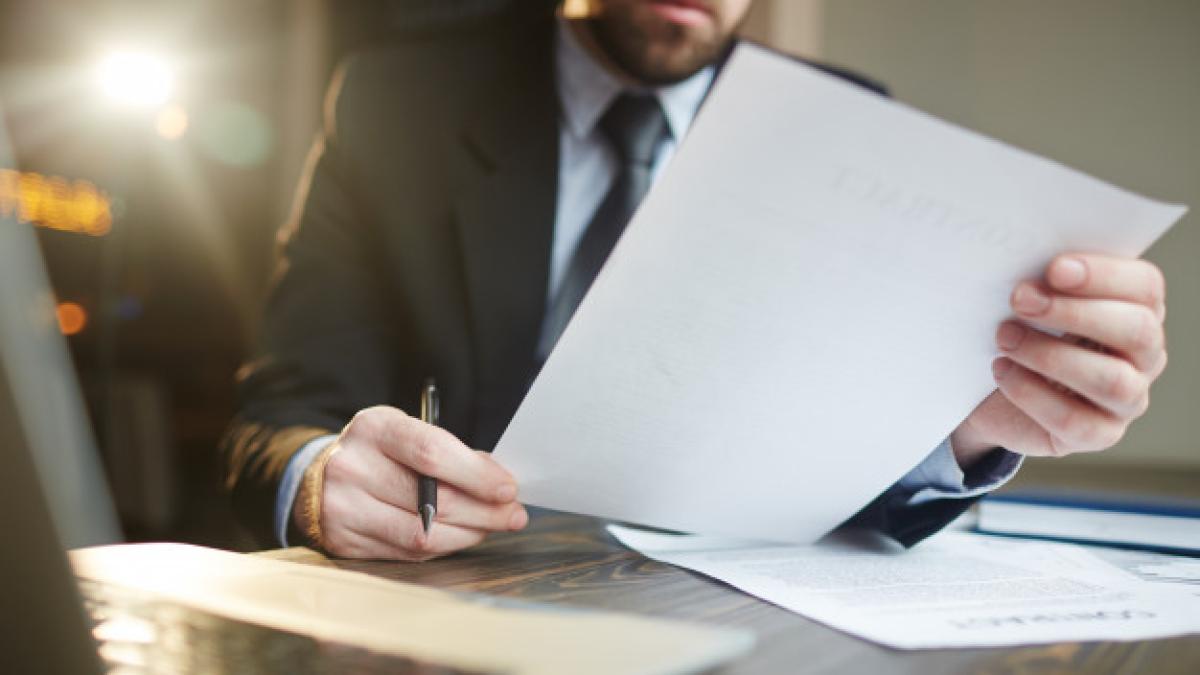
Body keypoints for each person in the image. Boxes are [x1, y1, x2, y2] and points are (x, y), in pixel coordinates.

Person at [221, 0, 1169, 560]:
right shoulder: (397, 100)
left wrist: (970, 429)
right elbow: (281, 411)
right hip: (448, 608)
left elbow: (835, 455)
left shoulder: (846, 125)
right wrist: (318, 482)